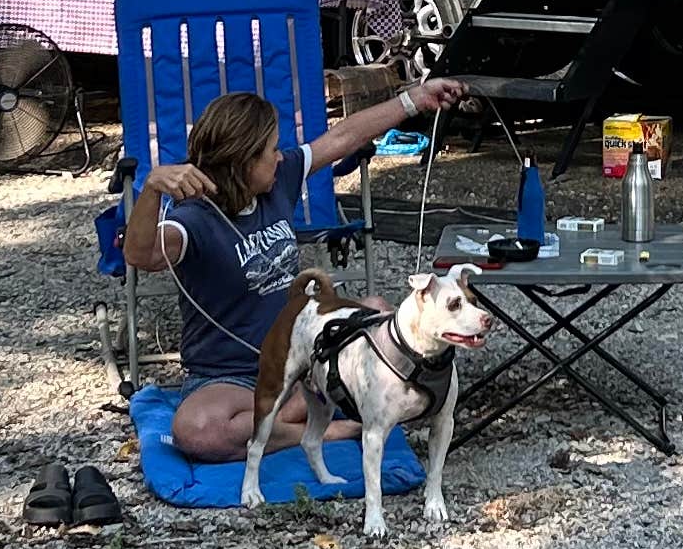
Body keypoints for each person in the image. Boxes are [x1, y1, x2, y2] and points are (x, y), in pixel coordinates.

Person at [129, 75, 467, 459]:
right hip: (231, 376)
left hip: (309, 355)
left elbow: (342, 138)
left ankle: (292, 411)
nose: (280, 155)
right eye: (270, 150)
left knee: (378, 313)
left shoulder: (276, 182)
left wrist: (416, 99)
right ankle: (326, 427)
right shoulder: (193, 221)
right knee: (197, 430)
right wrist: (154, 188)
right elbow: (140, 255)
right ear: (242, 161)